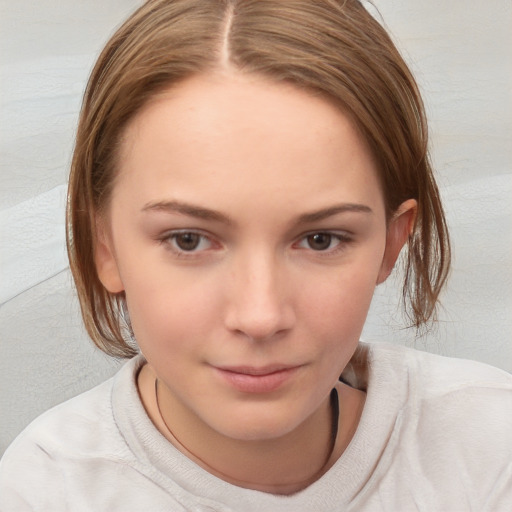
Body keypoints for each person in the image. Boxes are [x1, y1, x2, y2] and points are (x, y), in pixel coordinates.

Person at [1, 0, 510, 510]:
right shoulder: (42, 490)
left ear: (391, 243)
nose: (260, 316)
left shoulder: (488, 448)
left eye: (320, 239)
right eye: (189, 240)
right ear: (103, 246)